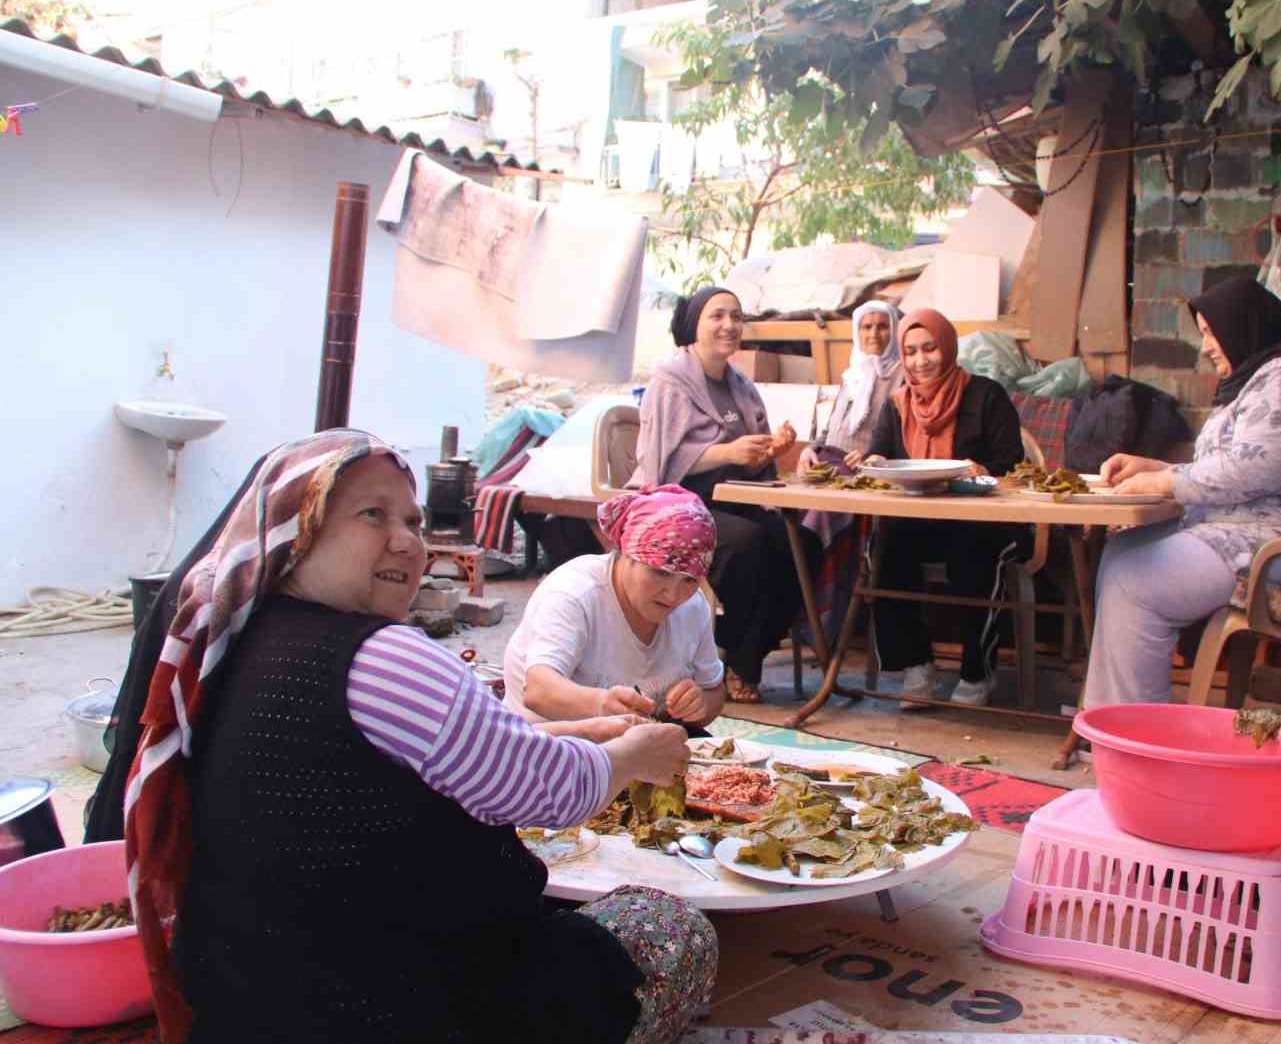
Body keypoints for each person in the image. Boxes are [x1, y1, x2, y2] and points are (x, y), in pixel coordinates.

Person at [124, 430, 713, 1044]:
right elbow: (545, 794)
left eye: (413, 519)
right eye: (371, 514)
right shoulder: (381, 657)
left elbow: (427, 753)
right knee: (670, 927)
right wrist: (630, 755)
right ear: (298, 528)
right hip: (386, 1004)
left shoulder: (238, 645)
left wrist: (581, 731)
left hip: (245, 995)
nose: (407, 541)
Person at [1082, 276, 1281, 709]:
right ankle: (1112, 723)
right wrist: (1158, 467)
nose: (1207, 347)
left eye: (1212, 334)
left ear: (1241, 327)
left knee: (1134, 580)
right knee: (1122, 550)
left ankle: (1142, 740)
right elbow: (1232, 465)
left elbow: (1257, 469)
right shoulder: (1255, 381)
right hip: (1257, 528)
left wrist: (1164, 482)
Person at [631, 285, 822, 703]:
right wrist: (725, 451)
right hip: (676, 504)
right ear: (694, 325)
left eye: (736, 316)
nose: (729, 325)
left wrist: (769, 450)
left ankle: (743, 657)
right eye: (717, 316)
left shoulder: (741, 385)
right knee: (746, 546)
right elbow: (659, 461)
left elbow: (749, 467)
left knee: (804, 545)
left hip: (734, 499)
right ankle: (734, 665)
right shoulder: (671, 380)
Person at [846, 308, 1025, 709]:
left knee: (974, 553)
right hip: (920, 521)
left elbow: (1013, 464)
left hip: (982, 520)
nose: (920, 361)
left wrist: (985, 471)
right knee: (885, 545)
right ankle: (916, 666)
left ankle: (977, 671)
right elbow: (880, 455)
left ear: (947, 347)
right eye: (909, 352)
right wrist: (873, 462)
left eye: (929, 349)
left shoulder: (985, 395)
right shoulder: (897, 405)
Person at [504, 485, 725, 731]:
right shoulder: (574, 593)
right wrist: (601, 704)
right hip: (552, 743)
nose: (674, 595)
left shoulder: (692, 607)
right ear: (623, 553)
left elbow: (713, 689)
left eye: (689, 580)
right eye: (660, 573)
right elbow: (538, 691)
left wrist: (698, 705)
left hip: (639, 741)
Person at [795, 301, 904, 641]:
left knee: (820, 520)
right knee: (782, 519)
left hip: (869, 476)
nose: (874, 334)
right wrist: (809, 450)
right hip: (829, 467)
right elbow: (828, 431)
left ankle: (824, 630)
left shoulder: (902, 374)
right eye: (866, 327)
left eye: (882, 326)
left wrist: (875, 455)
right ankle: (796, 618)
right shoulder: (852, 374)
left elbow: (901, 437)